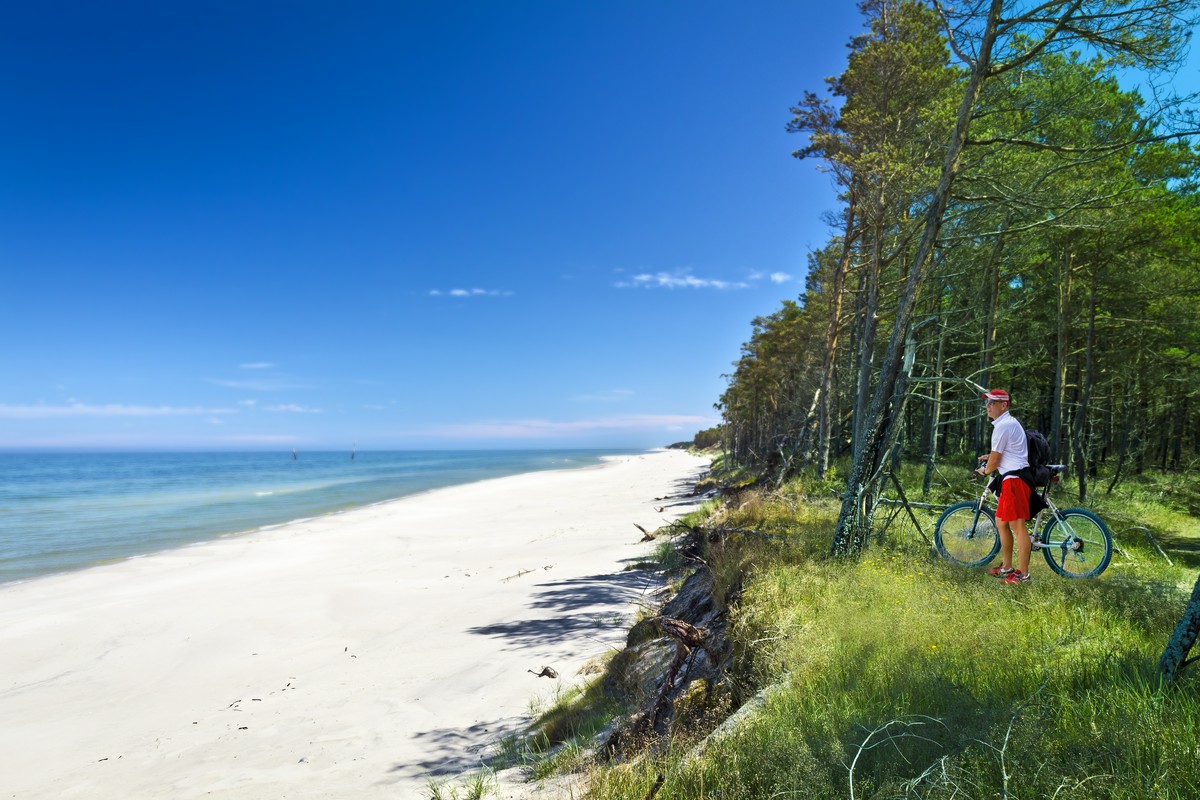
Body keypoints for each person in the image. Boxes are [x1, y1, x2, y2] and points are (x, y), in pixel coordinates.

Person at [975, 389, 1033, 585]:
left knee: (1018, 527)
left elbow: (996, 459)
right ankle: (1007, 567)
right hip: (1011, 478)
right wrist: (988, 458)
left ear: (1004, 405)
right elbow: (1001, 453)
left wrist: (984, 470)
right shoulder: (1007, 424)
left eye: (993, 402)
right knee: (1001, 522)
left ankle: (1023, 575)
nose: (988, 406)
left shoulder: (1003, 426)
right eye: (987, 402)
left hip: (1015, 480)